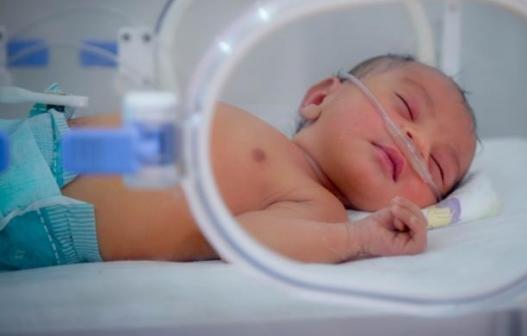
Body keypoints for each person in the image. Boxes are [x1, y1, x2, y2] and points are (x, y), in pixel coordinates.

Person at [0, 54, 477, 269]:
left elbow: (243, 239)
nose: (417, 142)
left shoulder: (317, 205)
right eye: (406, 107)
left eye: (437, 167)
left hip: (39, 210)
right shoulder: (268, 137)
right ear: (319, 98)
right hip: (40, 141)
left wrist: (357, 238)